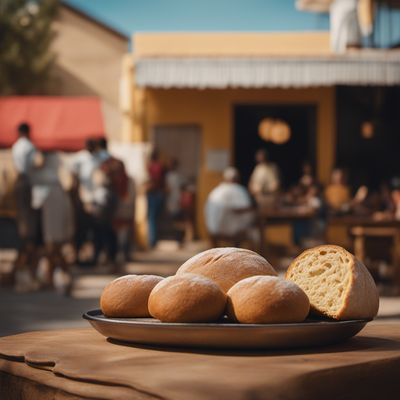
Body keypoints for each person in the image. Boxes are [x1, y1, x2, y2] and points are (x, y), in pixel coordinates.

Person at [11, 122, 43, 288]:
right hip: (26, 184)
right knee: (28, 230)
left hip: (19, 184)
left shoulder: (16, 146)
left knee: (24, 223)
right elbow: (36, 165)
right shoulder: (29, 146)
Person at [205, 167, 259, 248]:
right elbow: (241, 209)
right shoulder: (237, 189)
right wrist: (254, 208)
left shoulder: (216, 190)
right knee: (254, 231)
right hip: (231, 231)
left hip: (214, 229)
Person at [69, 138, 100, 264]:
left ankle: (92, 258)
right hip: (82, 201)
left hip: (94, 201)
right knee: (80, 231)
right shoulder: (79, 159)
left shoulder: (98, 159)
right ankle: (77, 256)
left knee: (93, 231)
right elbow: (74, 179)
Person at [146, 149, 165, 248]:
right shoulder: (160, 166)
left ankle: (152, 241)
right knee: (156, 218)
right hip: (160, 193)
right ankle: (154, 240)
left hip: (152, 193)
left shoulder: (150, 167)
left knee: (151, 218)